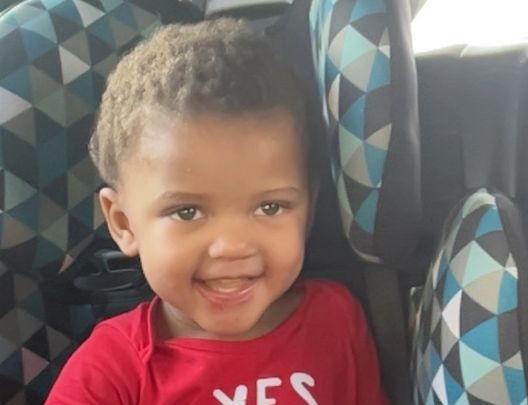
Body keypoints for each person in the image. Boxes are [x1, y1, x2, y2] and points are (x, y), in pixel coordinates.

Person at [46, 18, 388, 405]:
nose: (232, 247)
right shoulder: (109, 372)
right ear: (124, 224)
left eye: (270, 207)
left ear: (308, 210)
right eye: (187, 212)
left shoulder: (336, 318)